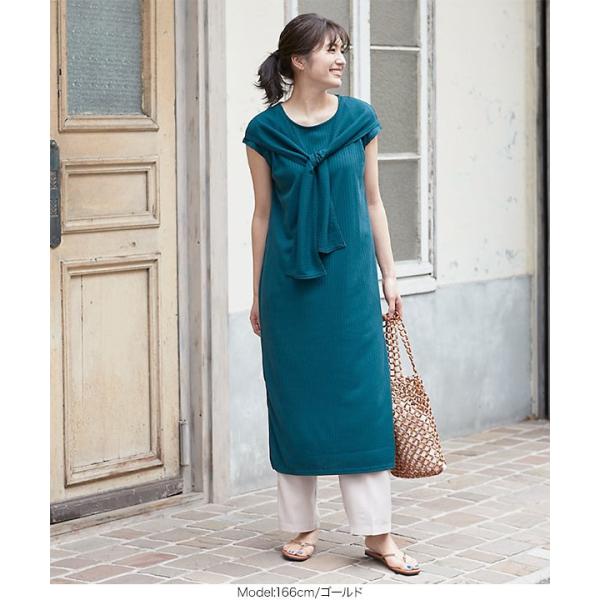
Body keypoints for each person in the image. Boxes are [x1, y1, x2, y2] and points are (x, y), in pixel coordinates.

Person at [242, 13, 420, 576]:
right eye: (330, 50)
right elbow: (262, 215)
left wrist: (390, 275)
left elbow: (373, 200)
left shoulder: (360, 120)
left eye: (342, 49)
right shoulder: (264, 132)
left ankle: (377, 534)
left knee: (362, 403)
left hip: (349, 288)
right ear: (299, 61)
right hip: (288, 289)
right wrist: (256, 293)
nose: (341, 58)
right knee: (294, 401)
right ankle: (301, 525)